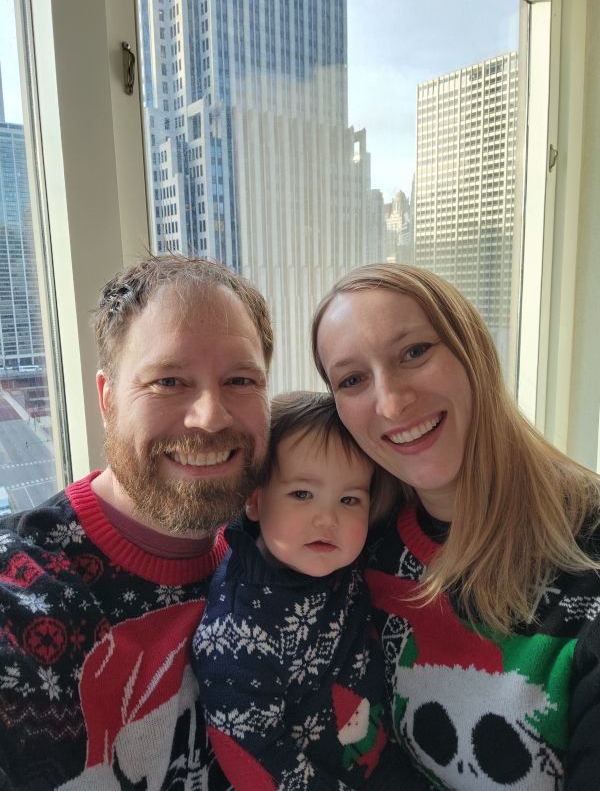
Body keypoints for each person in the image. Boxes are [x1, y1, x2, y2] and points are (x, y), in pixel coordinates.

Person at [311, 262, 600, 791]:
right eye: (352, 379)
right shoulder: (352, 550)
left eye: (415, 352)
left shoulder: (589, 555)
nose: (393, 401)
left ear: (474, 350)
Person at [0, 255, 273, 791]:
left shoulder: (293, 552)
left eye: (240, 380)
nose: (210, 416)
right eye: (168, 381)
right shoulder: (20, 595)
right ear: (107, 399)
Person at [192, 391, 396, 791]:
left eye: (349, 499)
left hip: (381, 761)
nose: (328, 518)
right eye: (302, 494)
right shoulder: (236, 631)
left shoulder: (347, 561)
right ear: (254, 500)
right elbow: (253, 756)